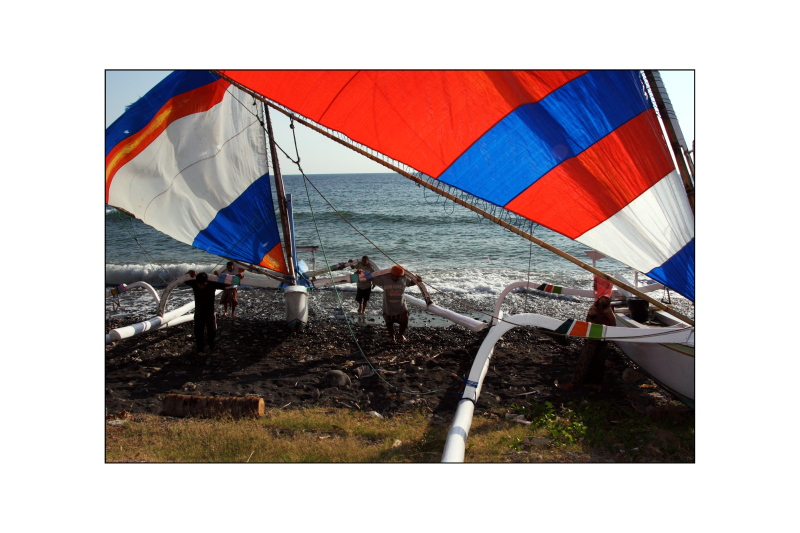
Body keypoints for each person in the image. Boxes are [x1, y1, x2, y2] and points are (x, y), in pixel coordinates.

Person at [557, 296, 616, 391]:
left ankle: (575, 383)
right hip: (600, 336)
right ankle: (593, 383)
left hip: (596, 337)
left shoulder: (605, 311)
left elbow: (612, 324)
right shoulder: (601, 310)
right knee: (597, 360)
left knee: (586, 359)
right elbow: (611, 324)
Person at [368, 264, 421, 344]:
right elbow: (371, 279)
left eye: (398, 276)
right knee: (389, 324)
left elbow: (411, 283)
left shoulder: (404, 278)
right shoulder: (385, 278)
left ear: (401, 276)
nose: (395, 278)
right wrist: (362, 273)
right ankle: (392, 337)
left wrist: (417, 280)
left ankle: (400, 335)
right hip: (388, 306)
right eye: (394, 276)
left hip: (401, 306)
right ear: (391, 274)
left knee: (405, 320)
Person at [184, 270, 227, 353]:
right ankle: (200, 349)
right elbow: (185, 280)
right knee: (198, 332)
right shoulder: (195, 284)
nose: (201, 286)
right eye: (199, 284)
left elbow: (226, 285)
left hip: (210, 313)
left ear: (207, 282)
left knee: (212, 332)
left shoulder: (212, 285)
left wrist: (219, 276)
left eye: (203, 284)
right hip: (198, 313)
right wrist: (188, 272)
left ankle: (211, 346)